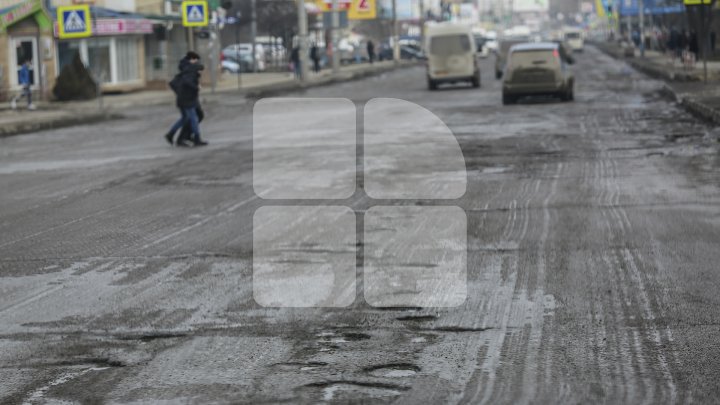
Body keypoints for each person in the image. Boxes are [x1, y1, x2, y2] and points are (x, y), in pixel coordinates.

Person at [164, 51, 207, 147]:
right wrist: (196, 87)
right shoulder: (190, 70)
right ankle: (196, 138)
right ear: (191, 59)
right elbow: (188, 82)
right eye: (195, 60)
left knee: (186, 118)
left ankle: (171, 134)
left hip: (184, 98)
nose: (196, 62)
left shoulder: (186, 68)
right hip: (188, 98)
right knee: (194, 118)